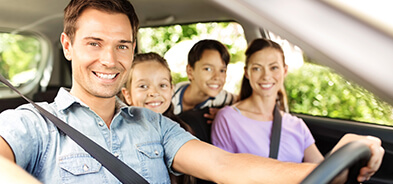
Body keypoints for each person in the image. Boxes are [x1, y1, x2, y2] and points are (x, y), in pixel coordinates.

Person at [0, 0, 384, 183]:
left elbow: (226, 165)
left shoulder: (155, 125)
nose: (110, 59)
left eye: (122, 45)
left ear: (133, 49)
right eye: (94, 43)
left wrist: (329, 170)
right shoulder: (34, 124)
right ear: (68, 46)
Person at [211, 38, 323, 163]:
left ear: (284, 71)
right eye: (257, 68)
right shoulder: (227, 119)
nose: (266, 76)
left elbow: (328, 175)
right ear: (247, 73)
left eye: (274, 68)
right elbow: (224, 173)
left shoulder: (297, 125)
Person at [120, 52, 195, 184]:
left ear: (172, 90)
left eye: (162, 85)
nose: (154, 93)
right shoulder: (120, 136)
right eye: (143, 86)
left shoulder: (182, 130)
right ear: (127, 95)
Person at [172, 39, 238, 143]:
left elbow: (245, 102)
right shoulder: (169, 96)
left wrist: (225, 113)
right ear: (190, 71)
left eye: (222, 70)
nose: (217, 77)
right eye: (208, 69)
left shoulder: (222, 98)